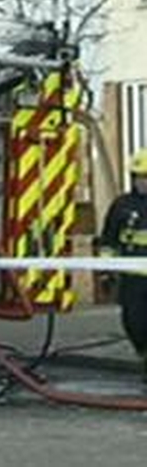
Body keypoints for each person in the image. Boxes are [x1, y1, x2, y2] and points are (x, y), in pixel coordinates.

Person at [99, 148, 147, 380]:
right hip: (132, 278)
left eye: (146, 177)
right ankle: (143, 353)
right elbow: (108, 240)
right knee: (134, 322)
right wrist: (106, 271)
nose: (142, 182)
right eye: (139, 177)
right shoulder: (122, 206)